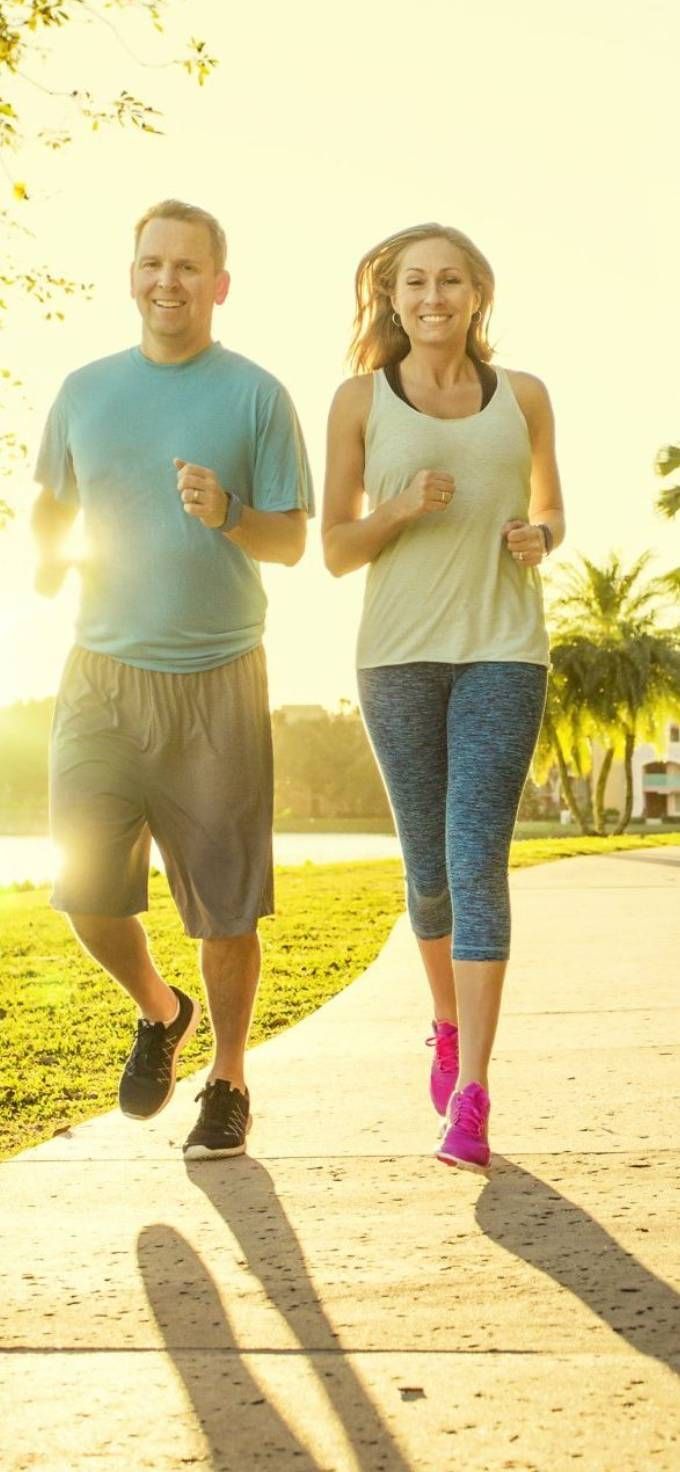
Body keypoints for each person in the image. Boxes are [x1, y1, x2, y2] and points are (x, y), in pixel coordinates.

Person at [32, 199, 313, 1160]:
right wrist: (43, 560)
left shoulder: (257, 396)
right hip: (100, 672)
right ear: (131, 274)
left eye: (188, 267)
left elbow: (291, 540)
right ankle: (160, 1009)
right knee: (85, 890)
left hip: (218, 677)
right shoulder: (83, 390)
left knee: (227, 906)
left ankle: (228, 1078)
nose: (167, 281)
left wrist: (231, 511)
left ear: (219, 284)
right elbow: (48, 502)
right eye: (151, 263)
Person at [322, 223, 564, 1172]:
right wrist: (399, 510)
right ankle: (446, 1025)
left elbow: (553, 507)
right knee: (426, 870)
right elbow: (336, 549)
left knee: (476, 861)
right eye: (415, 282)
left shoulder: (527, 397)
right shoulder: (357, 401)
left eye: (450, 280)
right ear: (393, 297)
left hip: (505, 653)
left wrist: (542, 536)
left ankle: (474, 1096)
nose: (433, 296)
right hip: (396, 659)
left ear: (477, 294)